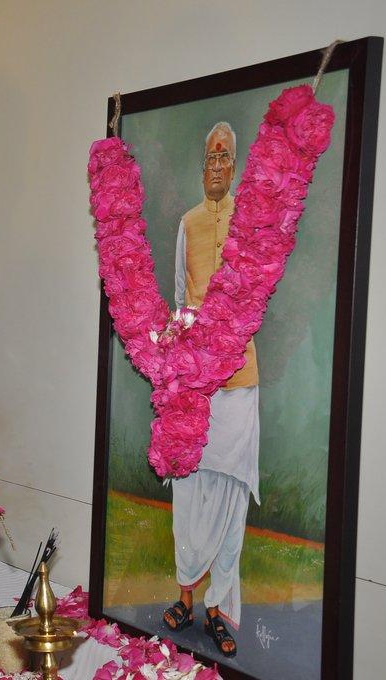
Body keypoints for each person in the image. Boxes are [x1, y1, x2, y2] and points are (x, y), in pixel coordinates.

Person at [160, 122, 260, 658]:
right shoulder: (188, 223)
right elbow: (180, 298)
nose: (217, 165)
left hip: (240, 380)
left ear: (234, 166)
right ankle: (185, 597)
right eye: (210, 158)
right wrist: (179, 363)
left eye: (225, 157)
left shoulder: (251, 221)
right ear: (203, 168)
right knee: (190, 488)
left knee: (231, 493)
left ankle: (217, 608)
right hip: (194, 380)